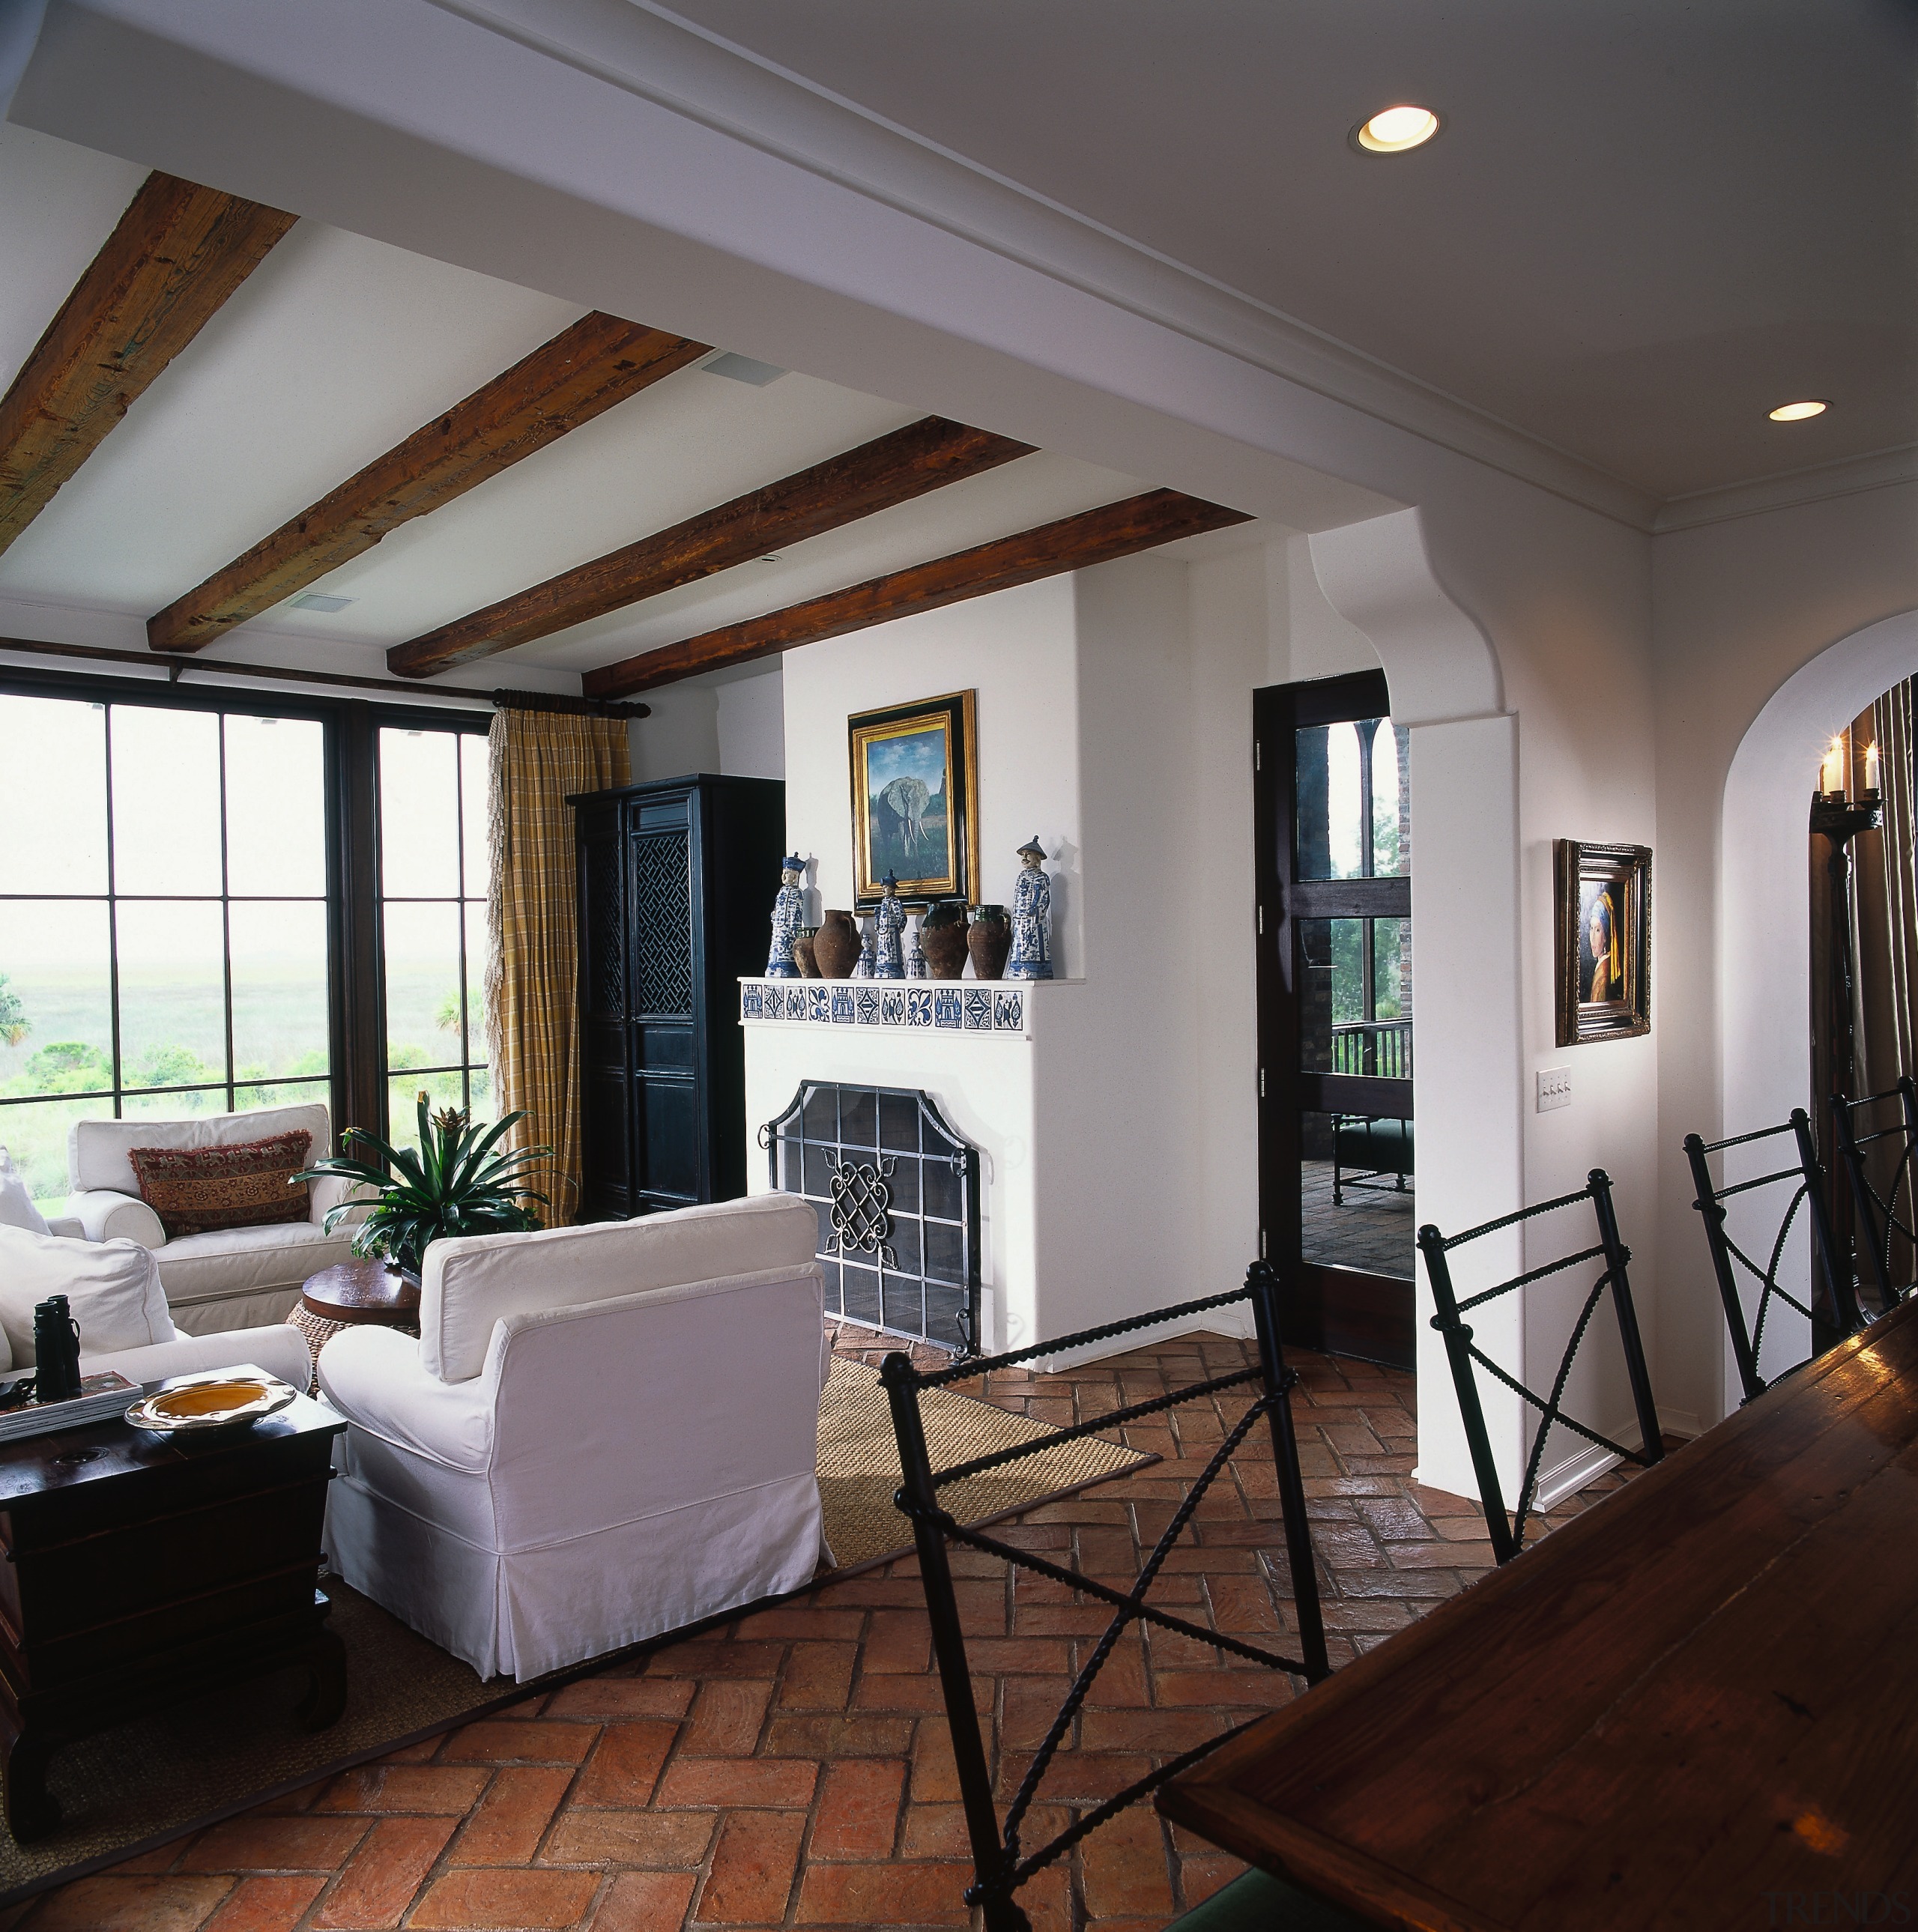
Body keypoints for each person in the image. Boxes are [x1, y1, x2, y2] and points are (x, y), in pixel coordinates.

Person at [1007, 837, 1054, 981]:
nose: (1024, 857)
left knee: (1035, 944)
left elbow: (1045, 898)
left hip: (1034, 920)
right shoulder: (1021, 877)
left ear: (1038, 857)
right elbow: (1016, 899)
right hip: (1020, 919)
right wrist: (1016, 916)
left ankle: (1038, 969)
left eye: (1028, 854)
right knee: (1019, 945)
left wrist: (1036, 912)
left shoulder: (1042, 878)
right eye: (1023, 854)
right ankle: (1017, 968)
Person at [766, 855, 805, 978]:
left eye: (787, 873)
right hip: (778, 925)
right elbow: (777, 906)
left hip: (788, 926)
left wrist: (795, 926)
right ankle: (773, 966)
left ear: (794, 877)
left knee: (786, 946)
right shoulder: (781, 891)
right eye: (783, 873)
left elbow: (797, 910)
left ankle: (787, 967)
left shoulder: (798, 893)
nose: (783, 876)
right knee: (776, 945)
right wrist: (774, 914)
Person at [1585, 888, 1616, 1003]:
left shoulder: (1604, 971)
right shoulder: (1601, 964)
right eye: (1591, 928)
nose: (1592, 937)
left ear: (1605, 936)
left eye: (1598, 930)